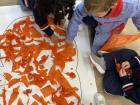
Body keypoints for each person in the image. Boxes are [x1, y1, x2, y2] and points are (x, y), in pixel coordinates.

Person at [67, 0, 140, 54]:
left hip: (112, 25)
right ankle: (94, 23)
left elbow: (138, 14)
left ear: (111, 6)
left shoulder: (131, 6)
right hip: (97, 20)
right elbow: (76, 17)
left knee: (99, 48)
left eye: (97, 14)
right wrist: (70, 37)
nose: (93, 14)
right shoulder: (88, 5)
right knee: (84, 16)